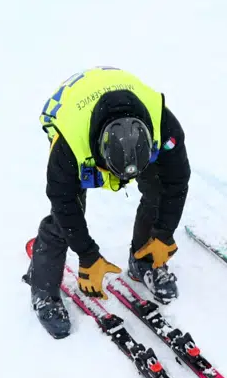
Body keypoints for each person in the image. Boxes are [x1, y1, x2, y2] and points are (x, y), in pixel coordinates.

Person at [24, 67, 191, 339]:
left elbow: (177, 182)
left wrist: (163, 233)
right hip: (70, 110)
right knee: (65, 217)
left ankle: (144, 260)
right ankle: (44, 291)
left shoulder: (165, 126)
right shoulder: (69, 143)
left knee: (158, 191)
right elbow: (62, 200)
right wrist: (87, 254)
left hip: (125, 110)